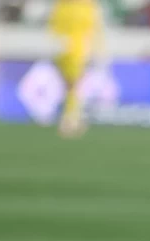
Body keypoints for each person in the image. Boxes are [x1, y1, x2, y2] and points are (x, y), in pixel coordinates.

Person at [47, 0, 103, 138]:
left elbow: (54, 27)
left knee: (71, 84)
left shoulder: (64, 5)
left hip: (69, 47)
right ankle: (70, 119)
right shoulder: (83, 6)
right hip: (75, 48)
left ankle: (72, 117)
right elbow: (92, 28)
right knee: (73, 84)